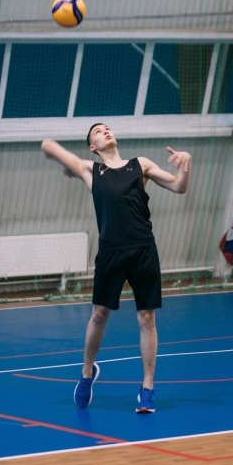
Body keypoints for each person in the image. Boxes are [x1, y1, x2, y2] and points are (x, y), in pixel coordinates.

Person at [41, 123, 191, 413]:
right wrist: (65, 163)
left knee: (147, 318)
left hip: (143, 249)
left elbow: (179, 186)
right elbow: (48, 145)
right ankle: (87, 374)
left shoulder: (140, 165)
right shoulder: (91, 170)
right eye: (98, 132)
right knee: (99, 314)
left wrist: (186, 164)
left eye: (107, 128)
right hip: (111, 252)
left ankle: (147, 388)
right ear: (93, 147)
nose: (105, 131)